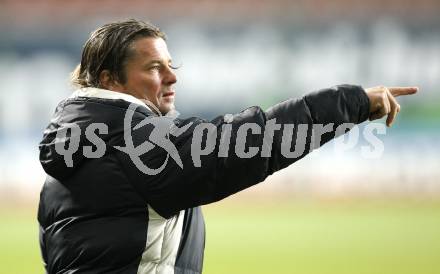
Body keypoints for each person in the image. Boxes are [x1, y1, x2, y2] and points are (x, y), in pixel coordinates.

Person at [37, 19, 417, 274]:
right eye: (154, 67)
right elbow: (248, 142)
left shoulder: (81, 135)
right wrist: (351, 103)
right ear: (110, 79)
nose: (172, 77)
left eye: (172, 64)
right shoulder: (136, 140)